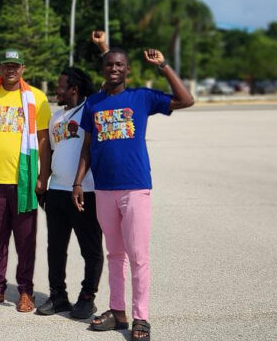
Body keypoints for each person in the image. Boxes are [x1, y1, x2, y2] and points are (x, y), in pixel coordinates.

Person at [73, 48, 194, 341]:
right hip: (103, 189)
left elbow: (186, 100)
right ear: (103, 70)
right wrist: (78, 183)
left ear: (127, 70)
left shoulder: (141, 97)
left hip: (135, 187)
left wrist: (164, 66)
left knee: (138, 256)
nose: (114, 68)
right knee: (115, 254)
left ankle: (141, 317)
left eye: (119, 65)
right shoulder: (94, 103)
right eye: (109, 65)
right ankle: (118, 312)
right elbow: (87, 147)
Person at [0, 49, 51, 313]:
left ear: (23, 68)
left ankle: (26, 291)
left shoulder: (36, 98)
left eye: (16, 66)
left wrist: (43, 176)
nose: (11, 70)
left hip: (24, 180)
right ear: (0, 67)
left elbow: (42, 139)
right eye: (6, 66)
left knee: (26, 240)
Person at [36, 67, 103, 319]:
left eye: (60, 85)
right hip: (56, 192)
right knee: (55, 248)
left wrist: (103, 49)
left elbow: (106, 93)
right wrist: (43, 181)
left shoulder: (90, 109)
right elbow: (50, 153)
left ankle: (87, 298)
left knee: (91, 249)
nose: (56, 89)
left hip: (86, 192)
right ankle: (58, 296)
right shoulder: (55, 117)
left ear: (74, 88)